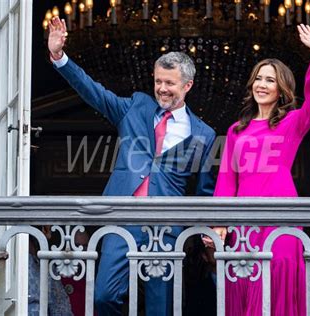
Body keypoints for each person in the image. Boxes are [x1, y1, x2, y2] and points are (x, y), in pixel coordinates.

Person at [47, 17, 216, 316]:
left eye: (170, 83)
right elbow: (94, 92)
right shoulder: (135, 106)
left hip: (165, 230)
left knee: (160, 308)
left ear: (187, 85)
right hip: (121, 219)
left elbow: (205, 191)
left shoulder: (204, 133)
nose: (162, 89)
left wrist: (204, 235)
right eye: (158, 81)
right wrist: (61, 58)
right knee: (103, 298)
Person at [208, 24, 310, 315]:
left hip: (281, 219)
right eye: (259, 79)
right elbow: (227, 181)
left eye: (270, 80)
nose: (262, 85)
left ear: (281, 90)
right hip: (243, 222)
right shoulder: (236, 130)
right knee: (241, 287)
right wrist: (218, 223)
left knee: (274, 286)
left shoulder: (292, 122)